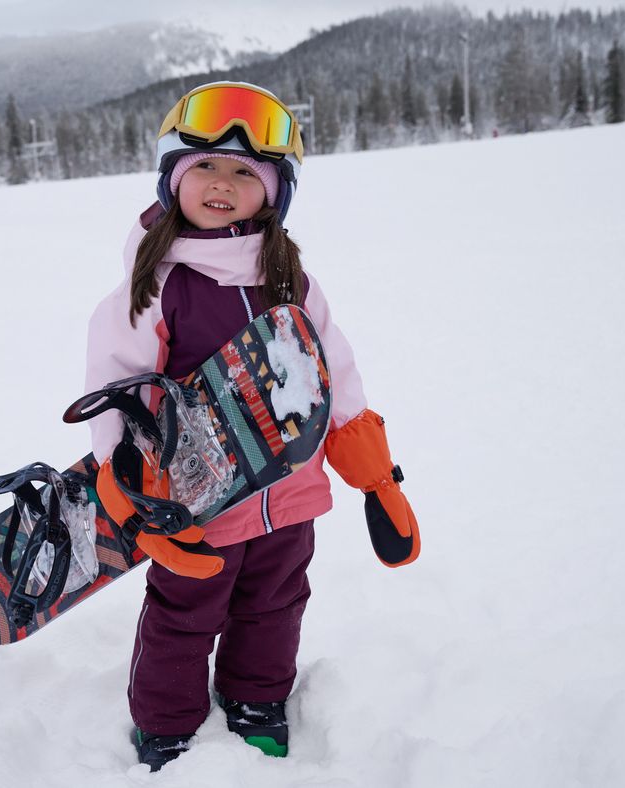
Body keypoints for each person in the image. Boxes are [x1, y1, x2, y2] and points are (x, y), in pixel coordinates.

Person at [82, 81, 420, 772]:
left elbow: (334, 373)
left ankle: (257, 700)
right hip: (198, 506)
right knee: (183, 616)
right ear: (172, 178)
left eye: (244, 173)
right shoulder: (155, 287)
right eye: (204, 165)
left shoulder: (290, 278)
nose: (221, 183)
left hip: (290, 495)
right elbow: (117, 392)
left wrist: (374, 476)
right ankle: (166, 724)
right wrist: (132, 492)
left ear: (273, 191)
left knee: (276, 605)